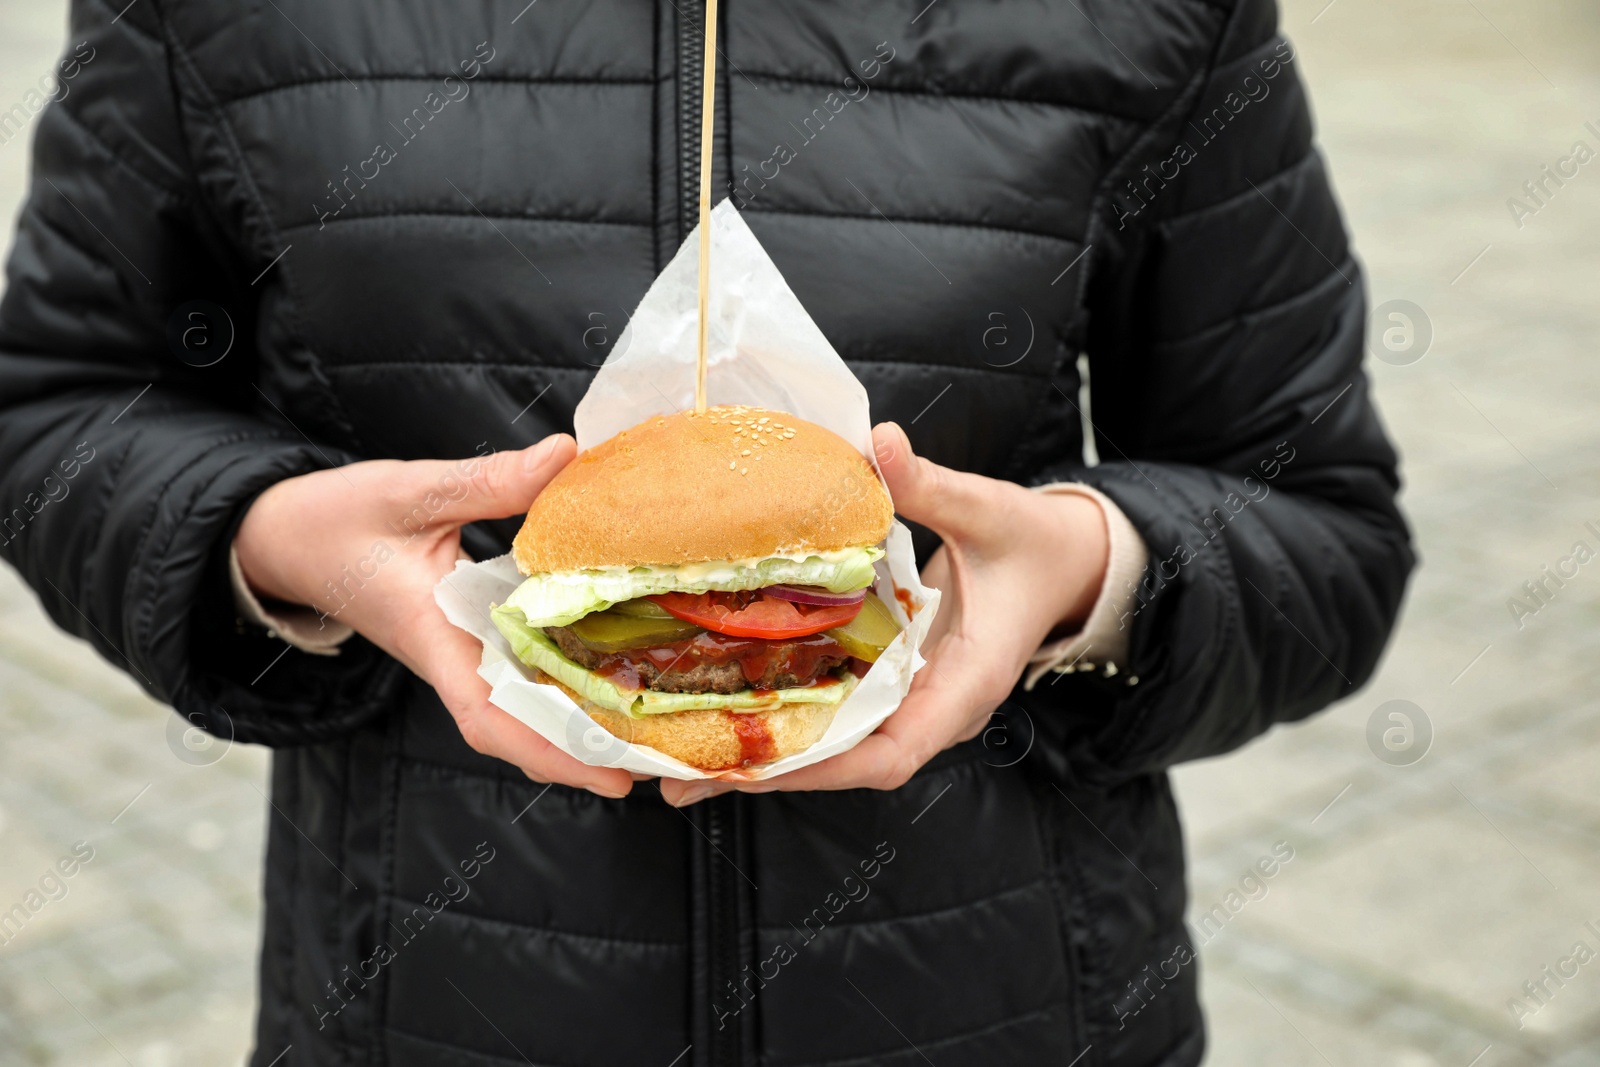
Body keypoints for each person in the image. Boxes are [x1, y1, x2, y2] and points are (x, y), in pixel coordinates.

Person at [0, 0, 1412, 1064]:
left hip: (1012, 1000)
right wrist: (269, 542)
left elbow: (1318, 520)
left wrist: (1100, 576)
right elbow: (57, 412)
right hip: (418, 999)